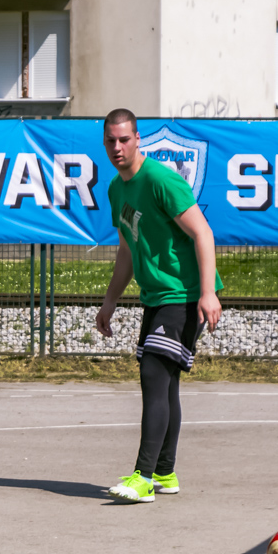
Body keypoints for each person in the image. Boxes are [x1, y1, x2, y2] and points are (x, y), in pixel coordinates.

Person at [95, 109, 223, 503]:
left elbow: (203, 233)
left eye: (124, 140)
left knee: (154, 373)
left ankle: (143, 476)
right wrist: (110, 302)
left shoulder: (161, 180)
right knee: (165, 383)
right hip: (156, 296)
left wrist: (208, 293)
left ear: (138, 139)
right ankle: (165, 473)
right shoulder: (118, 190)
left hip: (184, 295)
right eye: (111, 141)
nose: (118, 147)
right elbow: (126, 251)